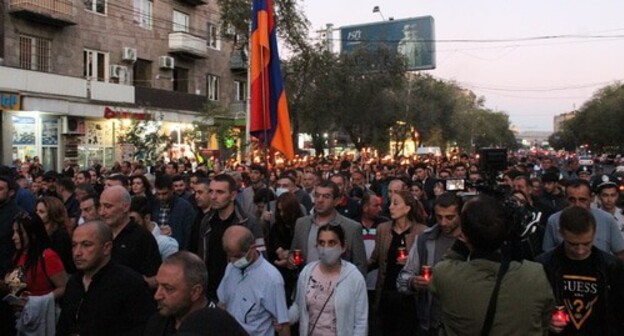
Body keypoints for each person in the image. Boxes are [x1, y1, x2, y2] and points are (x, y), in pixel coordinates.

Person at [430, 195, 554, 335]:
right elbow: (543, 322)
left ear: (464, 236)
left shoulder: (446, 275)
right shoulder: (534, 275)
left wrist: (462, 242)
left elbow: (442, 268)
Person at [536, 206, 624, 335]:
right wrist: (545, 321)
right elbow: (532, 309)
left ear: (595, 233)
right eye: (573, 244)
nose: (580, 250)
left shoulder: (611, 266)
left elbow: (619, 311)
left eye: (586, 243)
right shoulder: (543, 265)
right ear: (561, 233)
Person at [57, 221, 156, 335]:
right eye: (74, 245)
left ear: (106, 248)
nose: (77, 253)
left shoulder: (129, 283)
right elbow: (64, 326)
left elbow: (143, 328)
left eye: (86, 244)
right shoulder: (74, 283)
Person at [397, 192, 462, 335]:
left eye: (450, 217)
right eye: (439, 217)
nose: (443, 222)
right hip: (432, 323)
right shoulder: (425, 240)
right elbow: (403, 278)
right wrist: (413, 282)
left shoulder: (471, 241)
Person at [288, 224, 368, 335]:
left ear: (343, 247)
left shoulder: (354, 277)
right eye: (322, 243)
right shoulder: (307, 272)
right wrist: (284, 318)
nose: (326, 248)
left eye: (332, 243)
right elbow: (298, 306)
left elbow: (361, 322)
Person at [145, 251, 247, 335]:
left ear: (195, 292)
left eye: (168, 289)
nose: (157, 296)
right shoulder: (157, 323)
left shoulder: (220, 327)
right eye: (158, 286)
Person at [196, 174, 264, 301]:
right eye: (211, 191)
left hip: (240, 291)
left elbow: (261, 259)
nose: (213, 196)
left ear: (233, 195)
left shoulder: (249, 222)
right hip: (210, 290)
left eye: (220, 192)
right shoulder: (206, 221)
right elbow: (202, 254)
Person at [368, 190, 427, 335]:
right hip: (386, 293)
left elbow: (426, 265)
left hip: (409, 298)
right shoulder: (383, 229)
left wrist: (412, 262)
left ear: (407, 208)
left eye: (396, 203)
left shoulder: (421, 232)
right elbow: (375, 259)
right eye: (391, 203)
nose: (390, 208)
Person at [218, 226, 290, 336]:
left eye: (237, 256)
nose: (233, 261)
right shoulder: (230, 268)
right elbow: (222, 303)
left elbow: (283, 326)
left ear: (252, 249)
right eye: (229, 256)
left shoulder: (272, 279)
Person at [289, 180, 367, 276]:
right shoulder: (301, 224)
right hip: (307, 286)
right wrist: (291, 259)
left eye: (326, 197)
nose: (320, 200)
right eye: (317, 195)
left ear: (337, 201)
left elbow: (361, 265)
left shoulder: (352, 228)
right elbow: (294, 252)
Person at [542, 179, 624, 260]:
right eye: (572, 200)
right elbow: (548, 255)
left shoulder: (607, 220)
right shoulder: (554, 221)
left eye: (582, 200)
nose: (577, 204)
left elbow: (620, 254)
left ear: (591, 198)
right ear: (565, 198)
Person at [99, 185, 161, 288]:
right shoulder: (101, 234)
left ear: (125, 207)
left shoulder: (142, 237)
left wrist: (131, 283)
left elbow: (156, 278)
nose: (102, 212)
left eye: (108, 206)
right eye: (100, 206)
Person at [7, 212, 67, 315]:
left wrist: (39, 301)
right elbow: (16, 284)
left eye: (19, 233)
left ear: (33, 234)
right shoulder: (18, 254)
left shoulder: (48, 256)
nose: (14, 237)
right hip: (22, 315)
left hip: (43, 315)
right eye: (14, 232)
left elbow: (63, 287)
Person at [267, 192, 304, 304]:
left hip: (296, 274)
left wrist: (290, 257)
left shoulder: (301, 225)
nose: (282, 214)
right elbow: (271, 249)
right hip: (279, 274)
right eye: (279, 211)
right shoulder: (276, 227)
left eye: (284, 211)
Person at [151, 175, 196, 250]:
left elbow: (188, 235)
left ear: (172, 190)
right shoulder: (153, 205)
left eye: (164, 194)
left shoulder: (184, 207)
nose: (161, 197)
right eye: (158, 194)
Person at [35, 197, 75, 274]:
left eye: (41, 212)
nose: (37, 214)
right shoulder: (38, 232)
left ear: (52, 213)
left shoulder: (61, 235)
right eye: (36, 211)